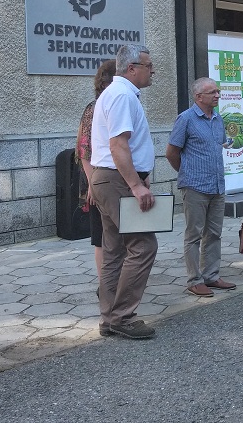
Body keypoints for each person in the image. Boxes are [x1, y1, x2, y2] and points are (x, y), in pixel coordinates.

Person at [90, 44, 158, 340]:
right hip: (116, 180)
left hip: (110, 179)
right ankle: (122, 317)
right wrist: (136, 184)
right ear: (132, 69)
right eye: (148, 66)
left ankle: (109, 318)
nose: (152, 71)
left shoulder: (117, 93)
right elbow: (118, 145)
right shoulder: (121, 95)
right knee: (143, 245)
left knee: (114, 250)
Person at [166, 77, 237, 298]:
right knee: (193, 235)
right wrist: (187, 172)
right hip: (195, 186)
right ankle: (194, 280)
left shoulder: (218, 119)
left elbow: (220, 145)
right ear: (198, 97)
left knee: (214, 233)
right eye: (212, 92)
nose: (217, 95)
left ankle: (211, 275)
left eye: (218, 91)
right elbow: (171, 152)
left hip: (217, 185)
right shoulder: (186, 119)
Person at [76, 59, 117, 286]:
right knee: (101, 237)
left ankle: (116, 282)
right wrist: (92, 184)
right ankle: (106, 285)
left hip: (113, 179)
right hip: (99, 179)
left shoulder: (119, 103)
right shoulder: (94, 109)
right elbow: (84, 151)